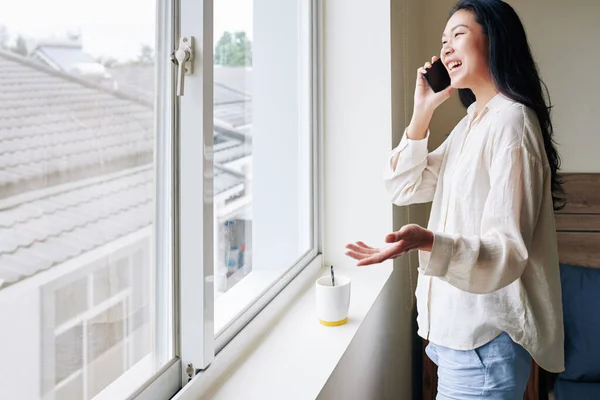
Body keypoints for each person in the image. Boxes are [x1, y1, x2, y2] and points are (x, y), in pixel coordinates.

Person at [345, 0, 565, 398]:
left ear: (495, 39)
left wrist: (429, 241)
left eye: (458, 34)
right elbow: (403, 187)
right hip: (456, 340)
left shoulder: (512, 123)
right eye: (443, 40)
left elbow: (507, 250)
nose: (445, 48)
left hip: (483, 341)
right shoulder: (472, 124)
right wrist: (422, 112)